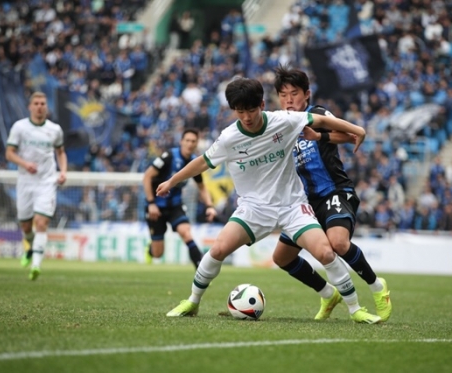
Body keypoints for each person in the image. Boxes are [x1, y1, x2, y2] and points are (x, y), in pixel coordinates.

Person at [157, 77, 381, 323]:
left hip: (292, 205)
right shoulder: (229, 137)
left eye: (251, 110)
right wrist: (172, 181)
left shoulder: (282, 120)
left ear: (262, 104)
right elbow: (201, 162)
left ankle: (355, 309)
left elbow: (321, 120)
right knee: (218, 249)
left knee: (326, 253)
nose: (246, 117)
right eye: (240, 112)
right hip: (254, 208)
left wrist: (356, 129)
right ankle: (193, 301)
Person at [272, 66, 392, 321]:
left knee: (337, 243)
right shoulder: (280, 127)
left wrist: (319, 135)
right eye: (283, 95)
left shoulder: (315, 114)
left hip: (334, 192)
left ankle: (377, 287)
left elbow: (349, 135)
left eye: (294, 93)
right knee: (281, 258)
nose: (289, 99)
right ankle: (328, 293)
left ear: (307, 95)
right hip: (302, 203)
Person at [5, 92, 67, 280]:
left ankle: (36, 265)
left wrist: (63, 171)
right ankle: (30, 247)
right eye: (36, 103)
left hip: (46, 182)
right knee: (25, 225)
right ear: (30, 107)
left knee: (41, 222)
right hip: (25, 181)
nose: (40, 106)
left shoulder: (54, 129)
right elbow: (9, 153)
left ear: (46, 107)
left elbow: (61, 152)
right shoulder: (20, 127)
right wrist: (25, 164)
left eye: (43, 103)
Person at [142, 128, 217, 267]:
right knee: (158, 253)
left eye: (193, 141)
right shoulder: (168, 156)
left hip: (175, 205)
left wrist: (210, 206)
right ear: (181, 141)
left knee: (186, 233)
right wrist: (151, 203)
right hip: (156, 206)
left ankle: (201, 272)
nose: (190, 144)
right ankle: (151, 249)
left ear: (197, 143)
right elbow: (147, 177)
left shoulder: (195, 163)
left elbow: (201, 186)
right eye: (187, 140)